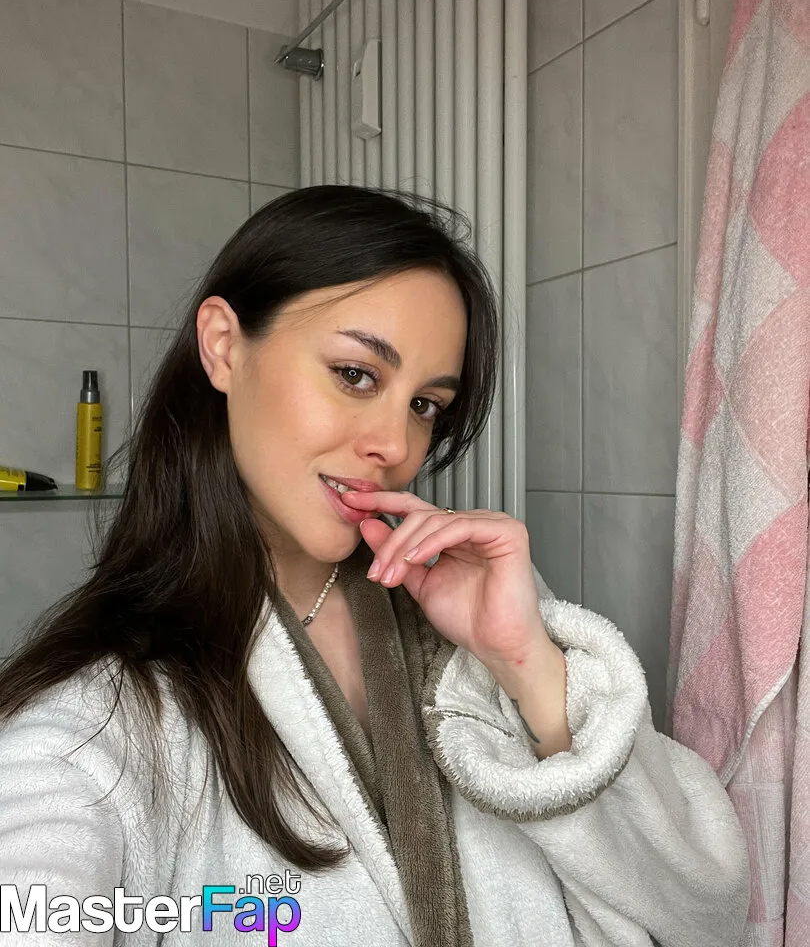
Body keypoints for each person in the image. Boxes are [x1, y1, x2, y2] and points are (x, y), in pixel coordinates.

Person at [0, 185, 749, 946]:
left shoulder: (478, 618)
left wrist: (528, 664)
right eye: (356, 374)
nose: (395, 446)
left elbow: (705, 908)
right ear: (224, 345)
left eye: (425, 405)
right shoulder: (106, 717)